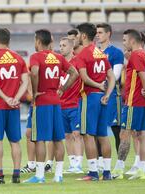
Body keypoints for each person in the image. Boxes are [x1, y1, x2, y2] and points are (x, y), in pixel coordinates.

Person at [23, 29, 78, 183]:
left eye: (35, 40)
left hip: (42, 102)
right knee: (57, 139)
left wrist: (34, 92)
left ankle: (40, 176)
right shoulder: (58, 57)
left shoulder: (36, 57)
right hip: (56, 101)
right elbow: (74, 73)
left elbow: (34, 73)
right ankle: (58, 175)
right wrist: (62, 89)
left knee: (40, 139)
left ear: (38, 41)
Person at [0, 28, 28, 184]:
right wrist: (15, 98)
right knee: (15, 142)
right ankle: (16, 175)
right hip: (13, 107)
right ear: (9, 40)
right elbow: (25, 83)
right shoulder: (18, 59)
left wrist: (5, 98)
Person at [74, 22, 115, 181]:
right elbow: (111, 77)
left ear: (83, 36)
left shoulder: (83, 54)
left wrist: (97, 85)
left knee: (88, 135)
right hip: (102, 98)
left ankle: (92, 173)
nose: (77, 37)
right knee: (103, 135)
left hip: (89, 97)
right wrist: (107, 93)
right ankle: (107, 172)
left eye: (78, 35)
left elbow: (84, 78)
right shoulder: (100, 53)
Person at [112, 29, 145, 180]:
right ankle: (142, 170)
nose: (123, 43)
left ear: (132, 41)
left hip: (133, 101)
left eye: (124, 40)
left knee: (125, 133)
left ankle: (118, 169)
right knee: (142, 135)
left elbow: (143, 77)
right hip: (142, 103)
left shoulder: (136, 55)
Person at [96, 23, 124, 172]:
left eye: (100, 32)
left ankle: (120, 165)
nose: (98, 35)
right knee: (97, 130)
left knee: (116, 130)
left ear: (109, 34)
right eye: (96, 32)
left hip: (112, 95)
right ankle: (100, 163)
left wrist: (103, 83)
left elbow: (117, 74)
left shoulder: (116, 52)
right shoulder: (94, 52)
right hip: (96, 95)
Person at [59, 37, 84, 174]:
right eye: (60, 45)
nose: (61, 47)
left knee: (76, 134)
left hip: (75, 103)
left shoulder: (77, 61)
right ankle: (72, 163)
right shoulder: (59, 63)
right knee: (67, 135)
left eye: (64, 45)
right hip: (61, 104)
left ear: (71, 47)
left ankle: (79, 164)